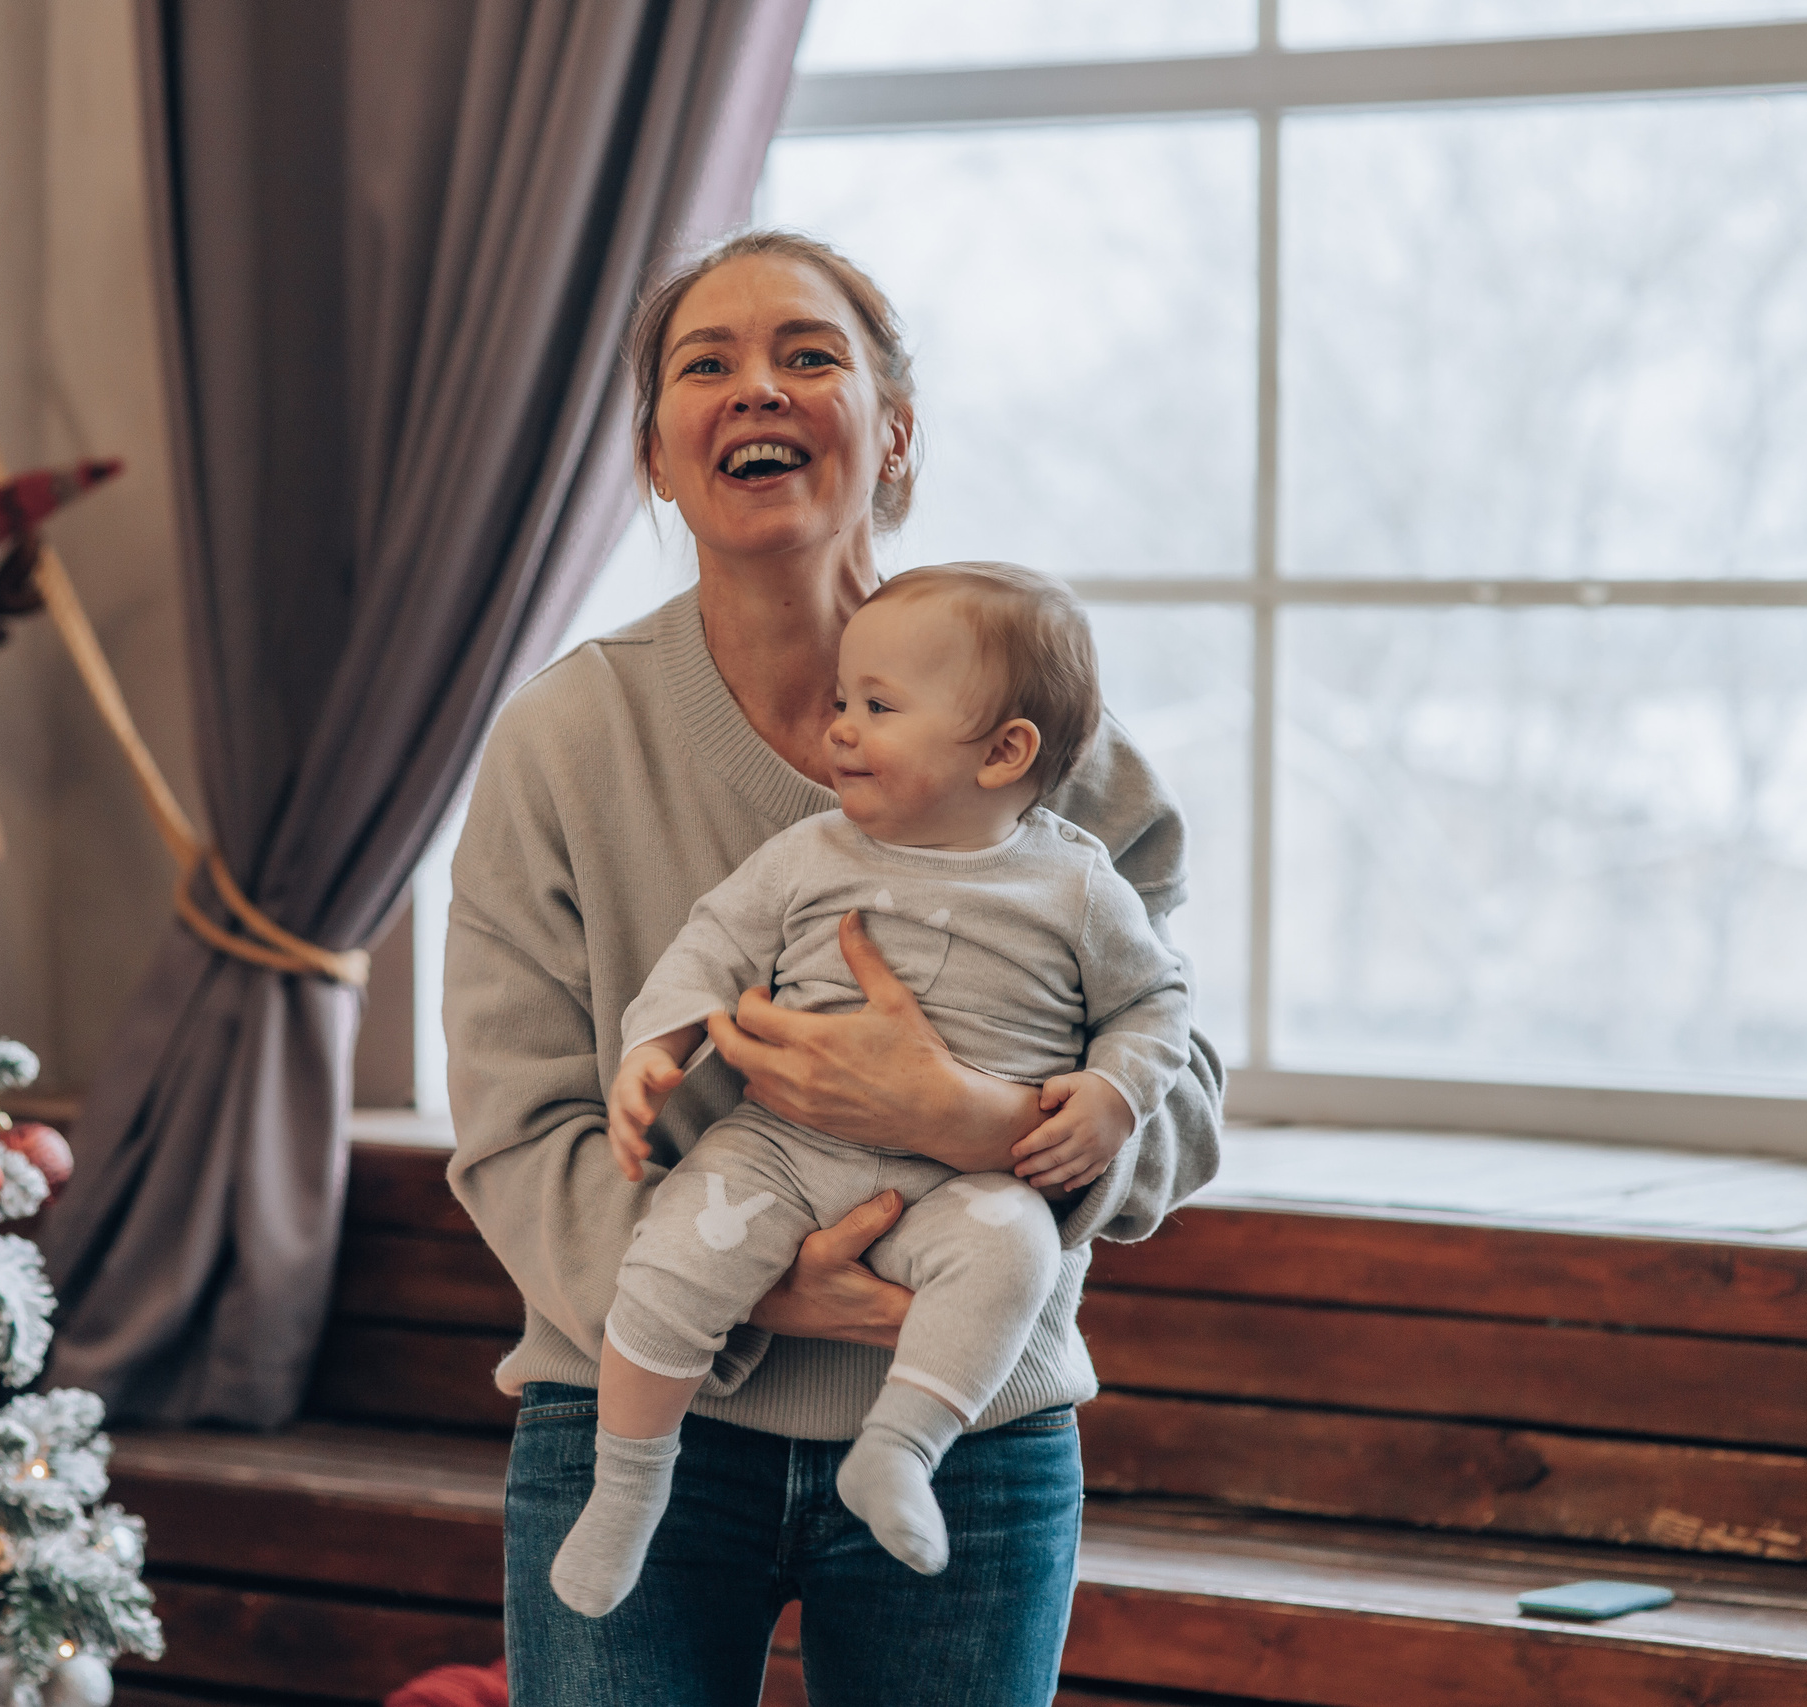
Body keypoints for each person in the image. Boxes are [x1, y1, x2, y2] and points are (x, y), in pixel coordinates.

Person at [445, 229, 1225, 1707]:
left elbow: (1182, 1106)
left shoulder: (1053, 745)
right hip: (634, 1407)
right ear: (658, 457)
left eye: (811, 354)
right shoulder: (561, 740)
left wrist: (979, 1123)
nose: (760, 388)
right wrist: (755, 1292)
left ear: (895, 433)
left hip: (970, 1440)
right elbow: (516, 1129)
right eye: (706, 363)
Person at [551, 562, 1192, 1617]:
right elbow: (711, 947)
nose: (839, 728)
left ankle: (897, 1448)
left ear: (1002, 752)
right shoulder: (808, 855)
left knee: (1018, 1249)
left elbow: (1156, 1004)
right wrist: (651, 1051)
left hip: (955, 1189)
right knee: (675, 1250)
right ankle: (627, 1484)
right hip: (781, 1153)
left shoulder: (1076, 887)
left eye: (876, 708)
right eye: (843, 702)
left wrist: (1112, 1097)